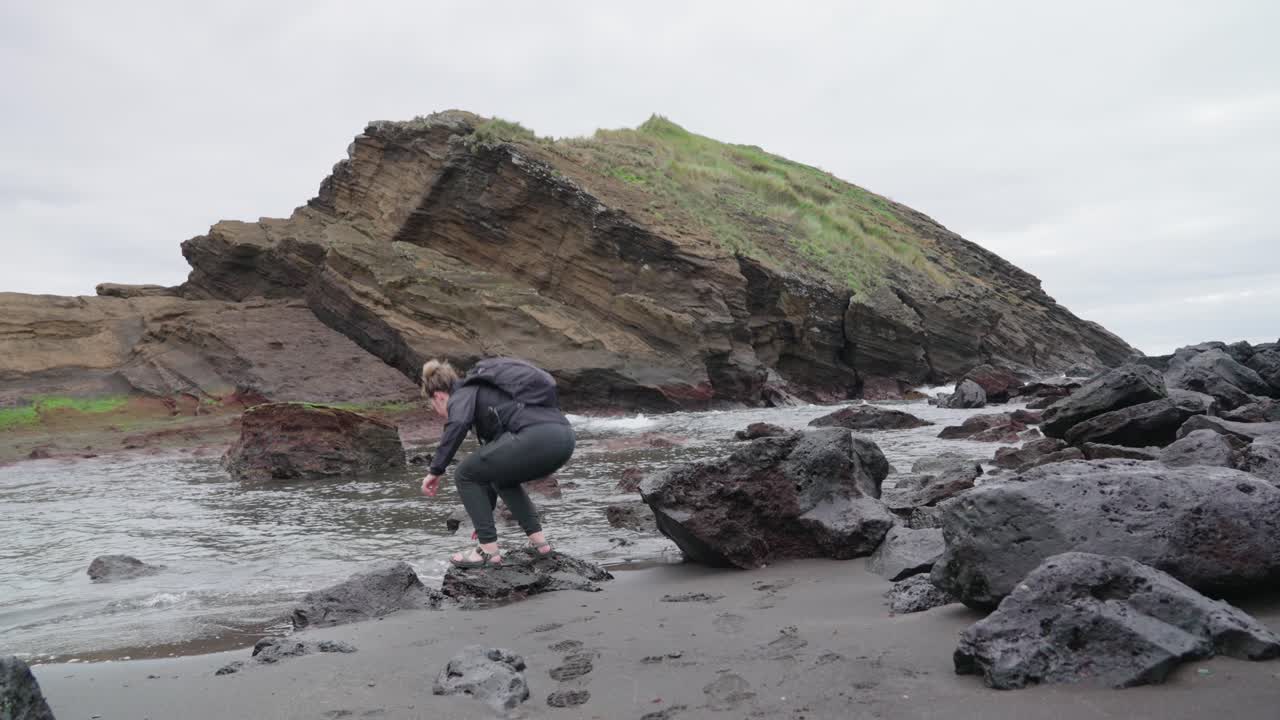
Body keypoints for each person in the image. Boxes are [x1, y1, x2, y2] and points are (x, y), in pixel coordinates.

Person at [419, 357, 576, 568]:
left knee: (463, 473)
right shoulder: (491, 396)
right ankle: (540, 544)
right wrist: (484, 519)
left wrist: (435, 470)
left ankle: (488, 552)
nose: (439, 414)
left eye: (434, 407)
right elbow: (490, 470)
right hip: (564, 438)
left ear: (438, 396)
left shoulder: (463, 393)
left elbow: (458, 423)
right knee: (503, 479)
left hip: (536, 437)